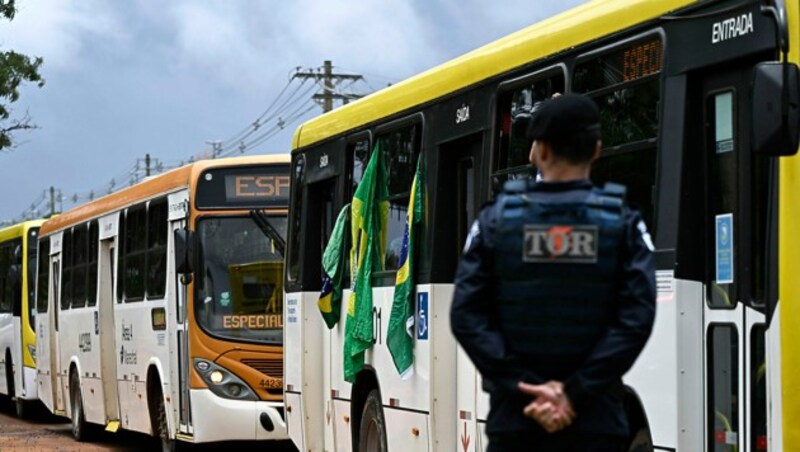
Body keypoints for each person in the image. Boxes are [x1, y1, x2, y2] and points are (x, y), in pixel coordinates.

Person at [450, 93, 656, 452]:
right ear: (596, 150)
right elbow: (637, 318)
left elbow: (466, 316)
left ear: (539, 151)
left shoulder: (495, 221)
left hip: (516, 422)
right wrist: (574, 393)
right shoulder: (623, 222)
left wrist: (522, 386)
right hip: (596, 423)